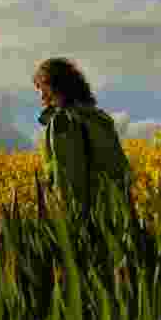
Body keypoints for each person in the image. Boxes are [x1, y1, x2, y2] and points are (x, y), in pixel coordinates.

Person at [33, 57, 131, 222]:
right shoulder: (99, 119)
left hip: (82, 218)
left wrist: (66, 219)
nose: (40, 95)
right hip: (112, 215)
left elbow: (68, 175)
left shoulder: (63, 121)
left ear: (53, 86)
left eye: (40, 87)